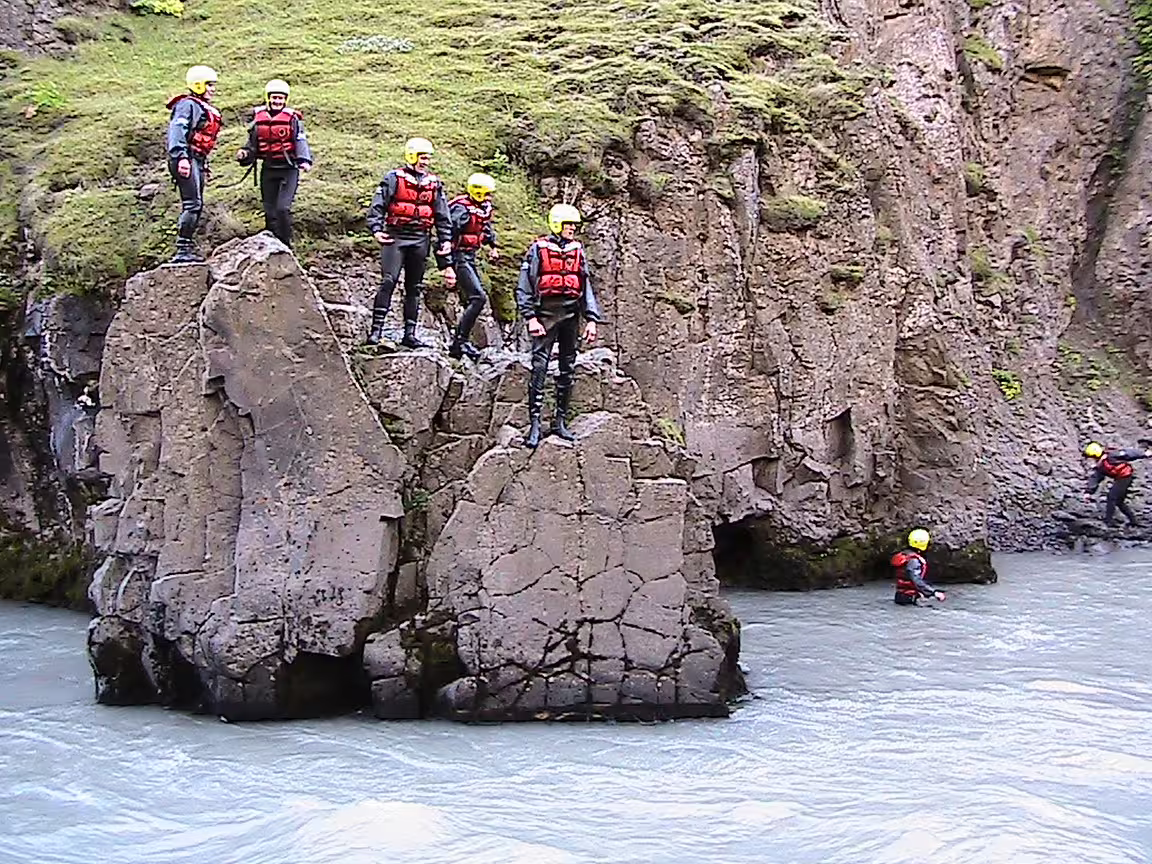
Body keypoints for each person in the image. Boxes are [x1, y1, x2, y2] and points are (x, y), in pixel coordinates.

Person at [515, 203, 602, 448]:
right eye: (569, 225)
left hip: (570, 315)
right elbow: (525, 286)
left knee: (567, 367)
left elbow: (585, 287)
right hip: (545, 314)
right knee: (540, 367)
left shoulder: (577, 251)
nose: (573, 229)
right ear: (557, 225)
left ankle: (560, 421)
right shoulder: (538, 250)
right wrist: (531, 318)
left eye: (574, 225)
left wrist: (592, 319)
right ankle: (534, 423)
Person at [365, 138, 455, 348]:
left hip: (420, 238)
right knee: (389, 280)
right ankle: (376, 331)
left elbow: (442, 215)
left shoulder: (434, 183)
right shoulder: (393, 178)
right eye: (422, 157)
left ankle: (410, 334)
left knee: (414, 287)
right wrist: (377, 230)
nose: (425, 162)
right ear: (412, 156)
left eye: (428, 158)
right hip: (395, 236)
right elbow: (378, 206)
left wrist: (445, 240)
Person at [236, 79, 313, 248]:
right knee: (269, 211)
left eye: (280, 98)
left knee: (282, 209)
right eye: (274, 98)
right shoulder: (258, 119)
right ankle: (271, 245)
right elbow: (252, 144)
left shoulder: (292, 119)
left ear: (285, 100)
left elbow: (300, 139)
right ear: (268, 98)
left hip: (288, 169)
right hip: (268, 168)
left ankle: (285, 246)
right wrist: (244, 154)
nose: (277, 101)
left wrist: (304, 160)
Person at [165, 65, 222, 264]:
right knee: (193, 203)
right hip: (186, 157)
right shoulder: (186, 105)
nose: (213, 89)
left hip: (196, 159)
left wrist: (203, 165)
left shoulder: (200, 107)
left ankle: (186, 247)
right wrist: (181, 158)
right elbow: (177, 132)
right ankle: (182, 249)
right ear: (198, 85)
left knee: (196, 204)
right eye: (209, 85)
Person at [447, 173, 499, 360]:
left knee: (475, 298)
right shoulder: (461, 209)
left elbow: (484, 228)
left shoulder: (482, 208)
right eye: (486, 194)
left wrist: (492, 245)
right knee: (478, 298)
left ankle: (459, 342)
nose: (489, 198)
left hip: (470, 255)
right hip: (458, 256)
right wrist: (447, 265)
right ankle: (459, 342)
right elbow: (447, 235)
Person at [1083, 441, 1152, 526]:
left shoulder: (1112, 455)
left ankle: (1108, 521)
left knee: (1111, 496)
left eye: (1092, 457)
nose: (1092, 460)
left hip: (1125, 477)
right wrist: (1088, 492)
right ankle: (1134, 521)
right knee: (1119, 501)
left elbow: (1128, 453)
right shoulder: (1101, 465)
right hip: (1120, 478)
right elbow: (1095, 478)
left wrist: (1144, 454)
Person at [891, 529, 946, 606]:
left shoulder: (905, 556)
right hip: (909, 599)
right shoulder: (914, 561)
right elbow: (916, 581)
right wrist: (934, 593)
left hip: (900, 596)